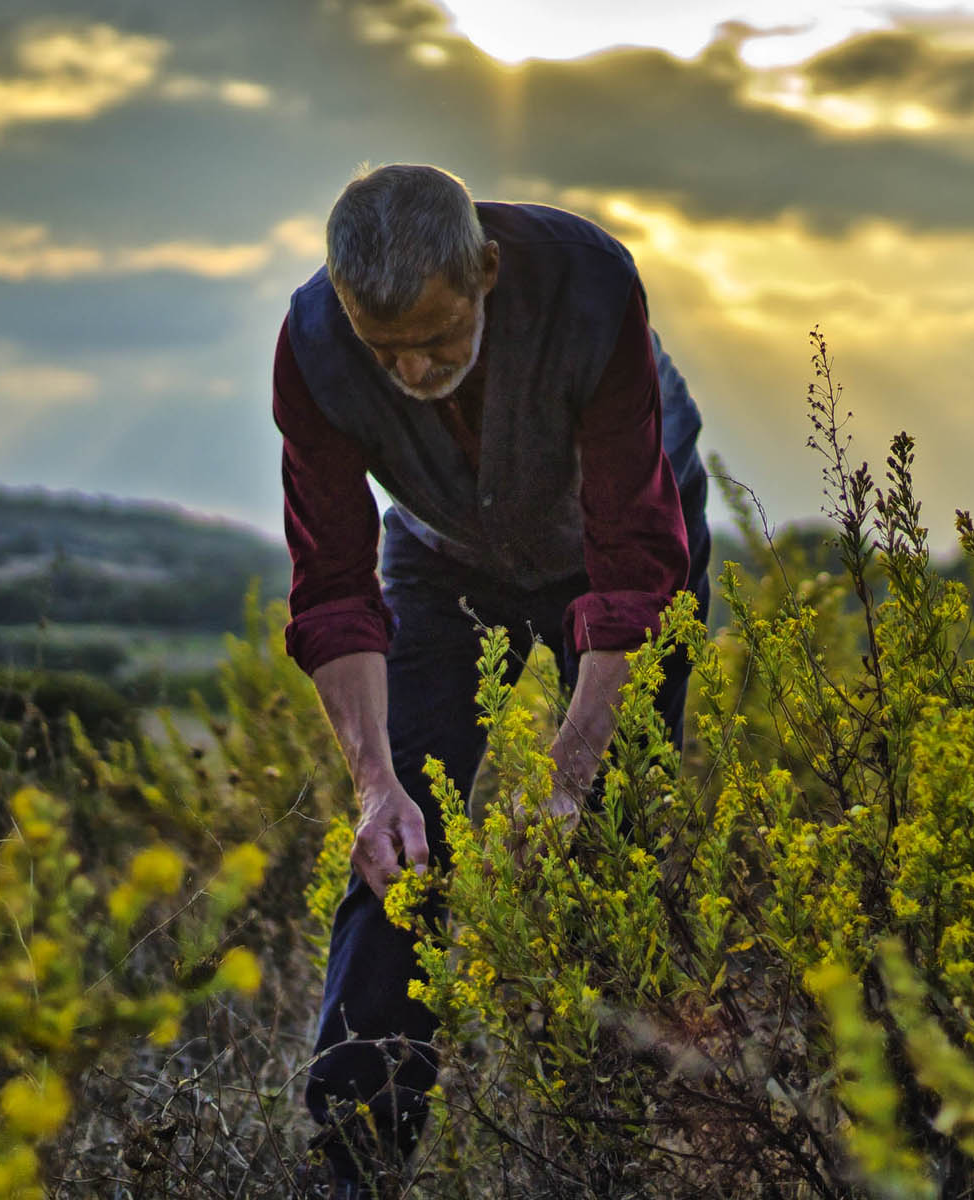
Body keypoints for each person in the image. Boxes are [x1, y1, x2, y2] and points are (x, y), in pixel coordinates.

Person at [272, 163, 710, 1194]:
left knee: (614, 841)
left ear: (488, 275)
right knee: (397, 849)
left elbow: (633, 573)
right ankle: (354, 1157)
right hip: (440, 557)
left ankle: (608, 1143)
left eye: (438, 337)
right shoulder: (312, 348)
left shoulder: (586, 286)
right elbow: (332, 585)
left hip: (622, 549)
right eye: (390, 354)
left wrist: (567, 776)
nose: (415, 370)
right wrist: (375, 784)